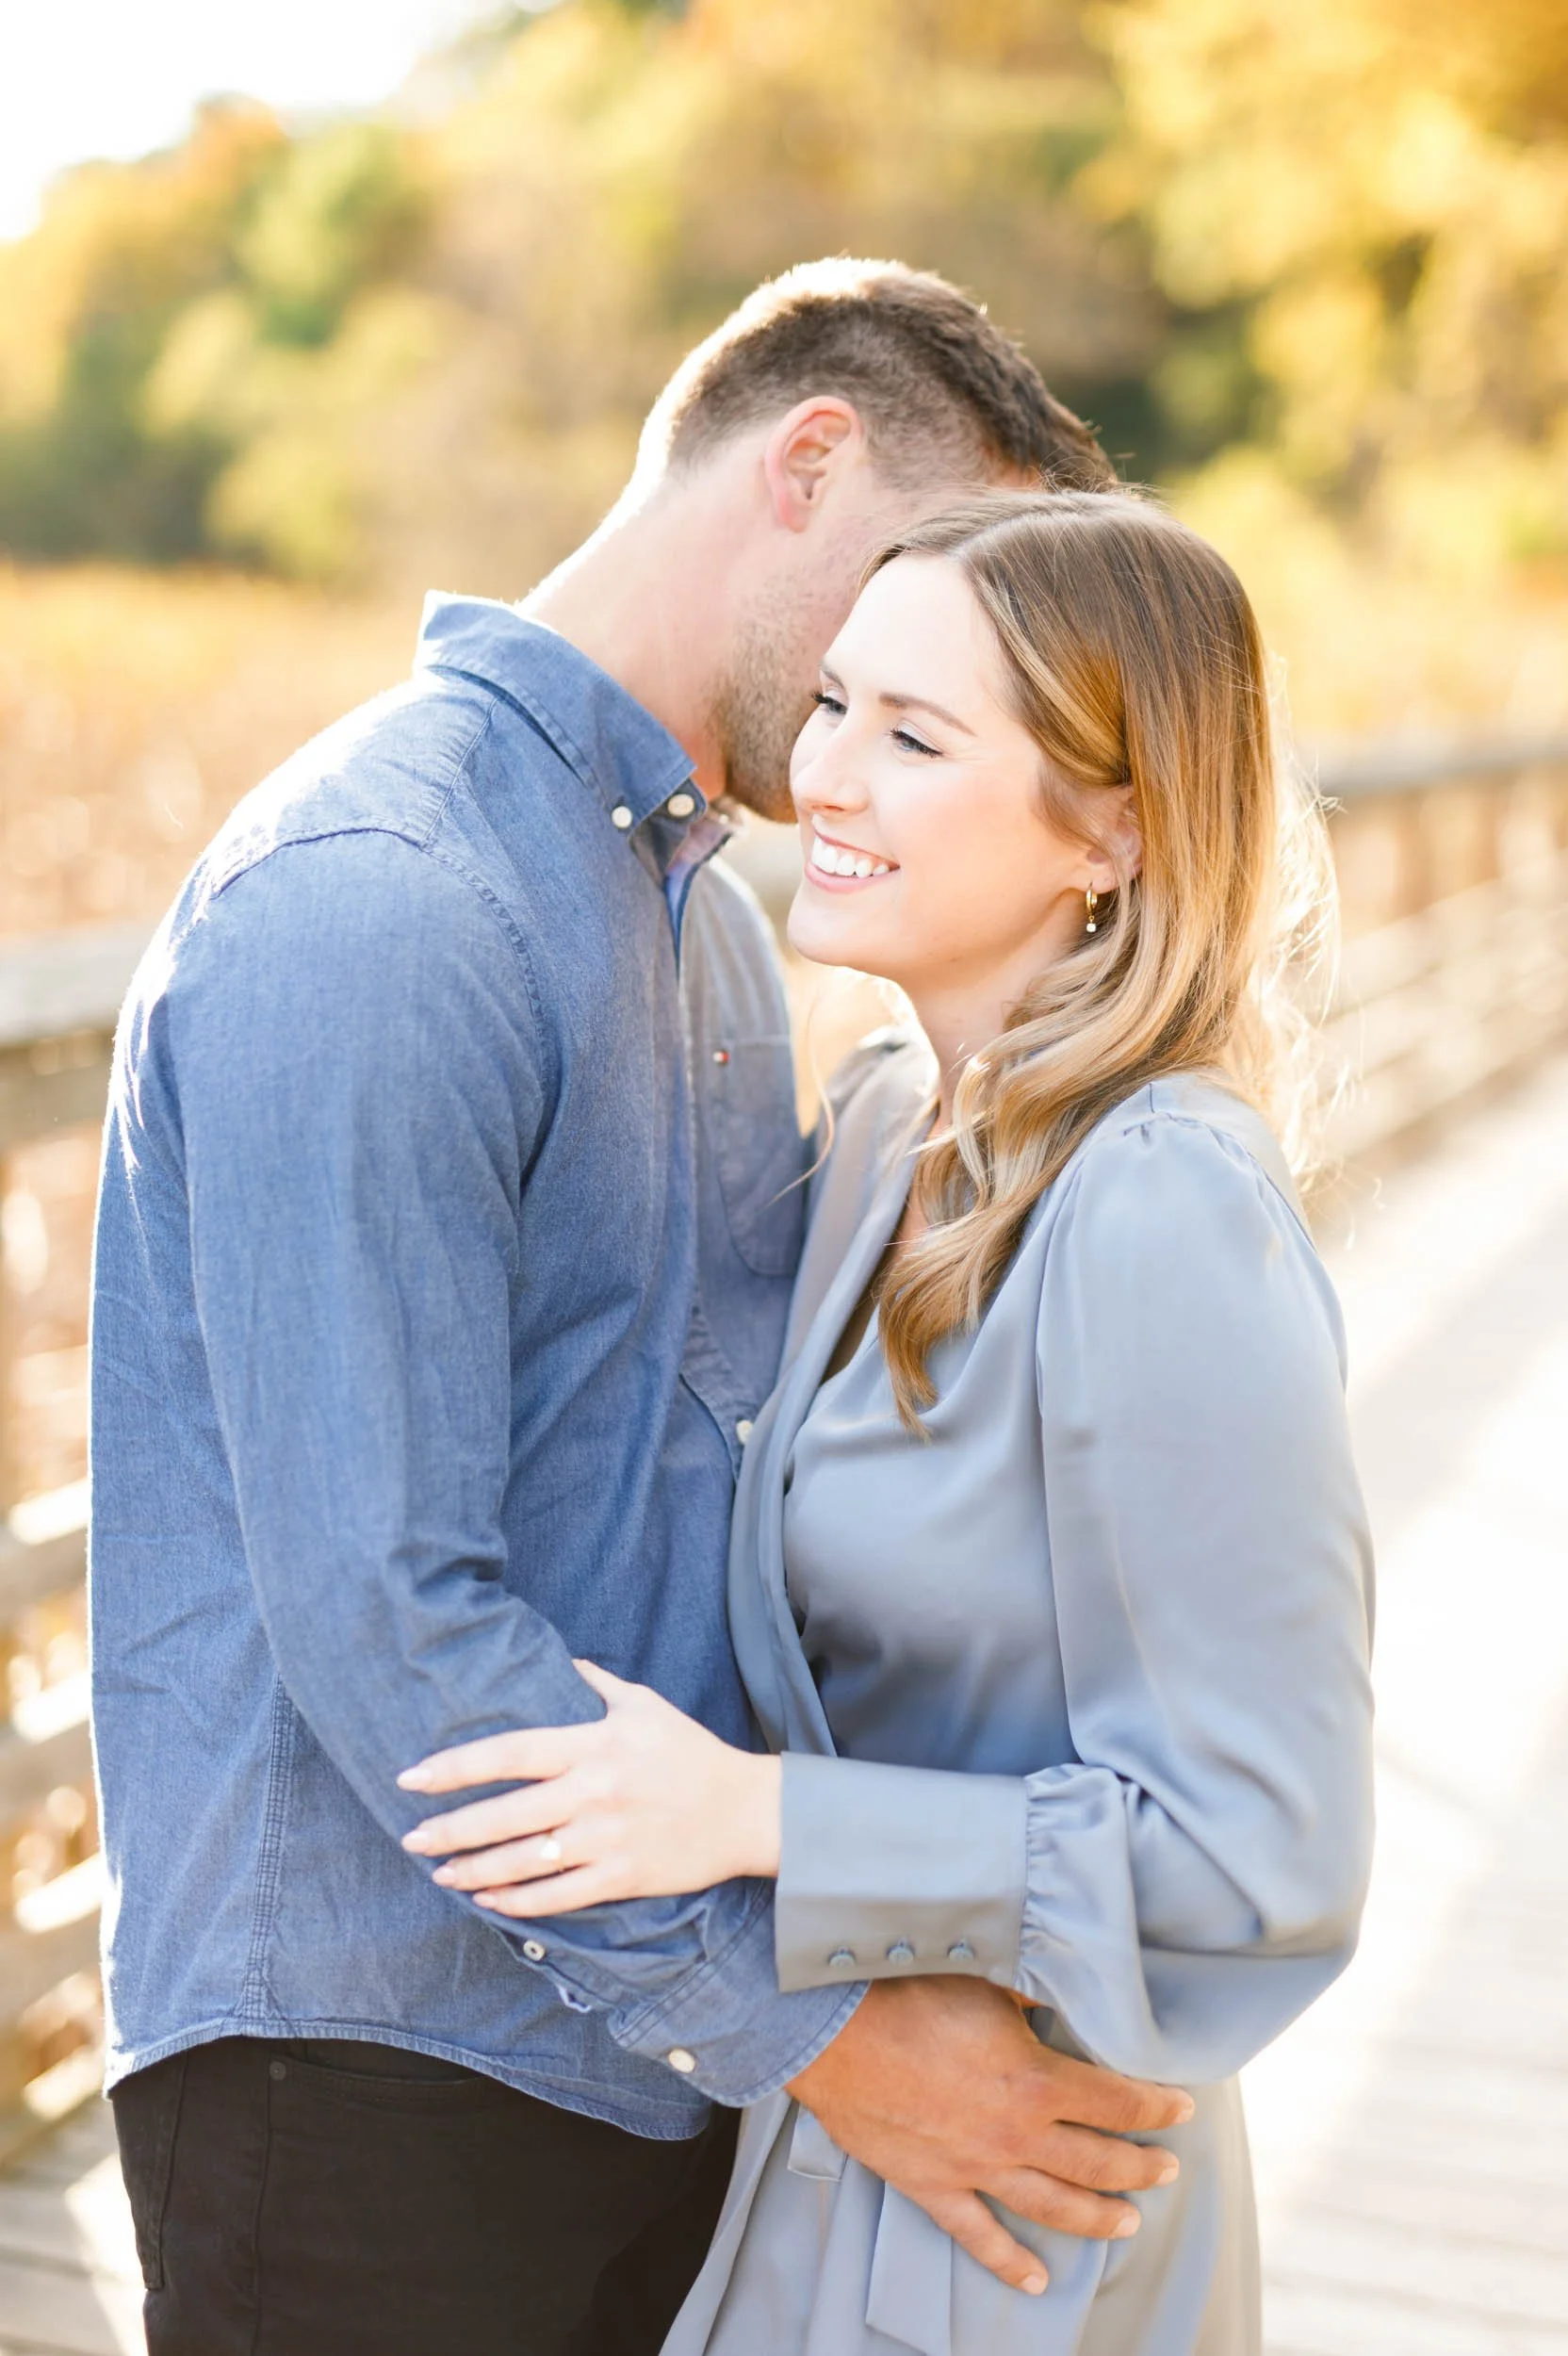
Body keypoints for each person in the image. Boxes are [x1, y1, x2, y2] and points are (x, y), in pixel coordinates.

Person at [90, 266, 1193, 2356]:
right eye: (933, 573)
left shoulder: (706, 934)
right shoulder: (383, 893)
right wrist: (826, 2034)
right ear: (804, 465)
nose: (939, 664)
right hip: (366, 2086)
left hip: (641, 2070)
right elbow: (387, 1609)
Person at [399, 488, 1378, 2356]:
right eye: (833, 700)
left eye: (915, 736)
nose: (824, 773)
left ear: (1113, 829)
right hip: (835, 2149)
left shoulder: (1159, 1199)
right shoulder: (876, 1132)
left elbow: (1264, 1851)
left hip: (1035, 2205)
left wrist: (754, 1814)